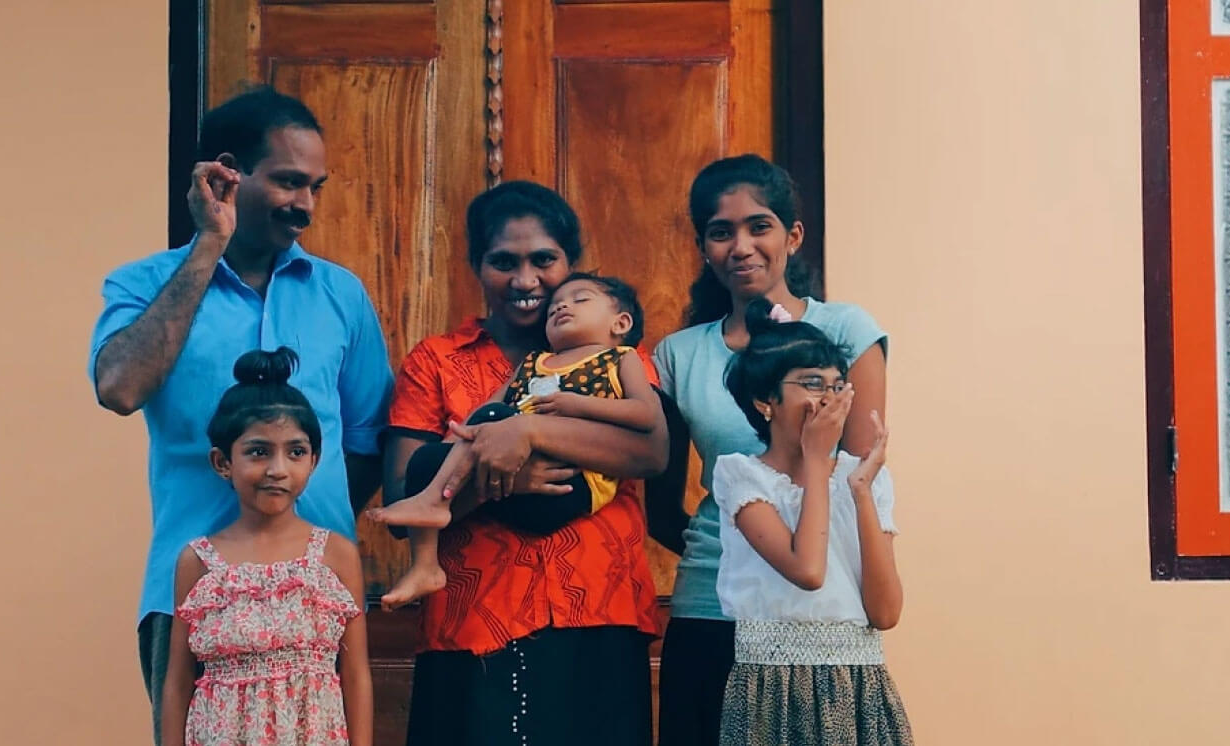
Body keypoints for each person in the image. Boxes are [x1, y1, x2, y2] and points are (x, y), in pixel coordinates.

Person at [88, 86, 393, 743]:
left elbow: (370, 438)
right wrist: (207, 246)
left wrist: (286, 529)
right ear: (227, 173)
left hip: (320, 595)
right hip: (193, 594)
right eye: (288, 182)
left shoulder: (341, 294)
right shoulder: (142, 284)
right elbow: (118, 388)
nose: (305, 206)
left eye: (315, 187)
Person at [381, 181, 666, 746]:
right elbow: (405, 492)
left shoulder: (617, 358)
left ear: (570, 265)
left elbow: (649, 452)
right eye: (503, 262)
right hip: (474, 620)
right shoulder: (436, 362)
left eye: (544, 260)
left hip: (599, 611)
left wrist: (529, 428)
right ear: (476, 266)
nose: (526, 280)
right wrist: (508, 482)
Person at [650, 155, 889, 745]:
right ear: (704, 246)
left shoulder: (847, 331)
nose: (741, 245)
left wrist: (806, 566)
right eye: (721, 231)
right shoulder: (679, 354)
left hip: (820, 615)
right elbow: (660, 498)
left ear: (792, 235)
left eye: (759, 226)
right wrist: (743, 547)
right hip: (713, 605)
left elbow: (857, 470)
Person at [370, 273, 662, 609]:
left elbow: (645, 415)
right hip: (510, 468)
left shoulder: (620, 359)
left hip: (570, 483)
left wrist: (576, 404)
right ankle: (425, 565)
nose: (563, 306)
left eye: (580, 299)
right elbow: (484, 411)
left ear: (620, 322)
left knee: (491, 423)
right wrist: (449, 450)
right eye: (555, 306)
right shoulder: (534, 363)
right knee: (426, 460)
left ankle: (437, 502)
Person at [711, 301, 911, 744]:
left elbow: (886, 612)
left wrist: (860, 490)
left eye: (838, 385)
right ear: (766, 400)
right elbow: (808, 570)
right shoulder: (741, 475)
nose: (828, 397)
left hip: (859, 688)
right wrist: (818, 461)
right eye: (811, 383)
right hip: (772, 693)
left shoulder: (866, 480)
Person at [160, 348, 372, 746]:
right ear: (223, 462)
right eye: (258, 452)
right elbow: (177, 681)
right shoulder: (198, 562)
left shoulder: (336, 556)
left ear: (314, 460)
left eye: (295, 452)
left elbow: (356, 674)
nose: (278, 469)